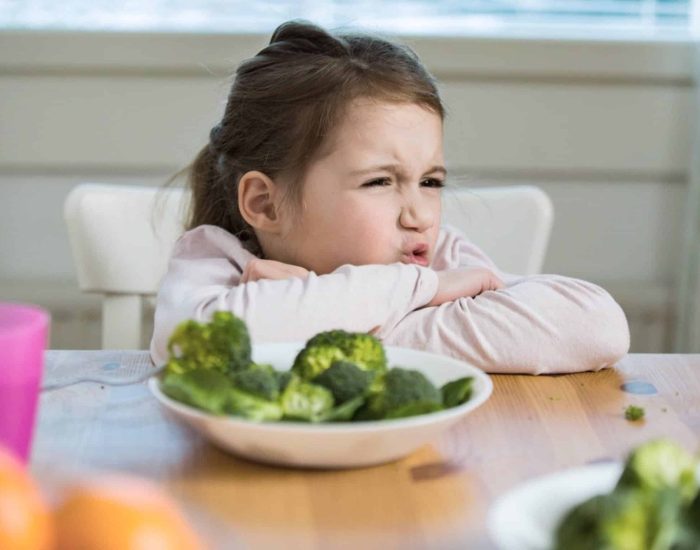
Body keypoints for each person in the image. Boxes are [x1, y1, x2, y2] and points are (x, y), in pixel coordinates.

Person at [150, 20, 630, 374]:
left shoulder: (441, 255)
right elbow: (189, 348)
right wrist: (421, 293)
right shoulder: (216, 259)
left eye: (431, 181)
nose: (419, 215)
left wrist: (301, 323)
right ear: (265, 204)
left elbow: (595, 326)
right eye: (379, 182)